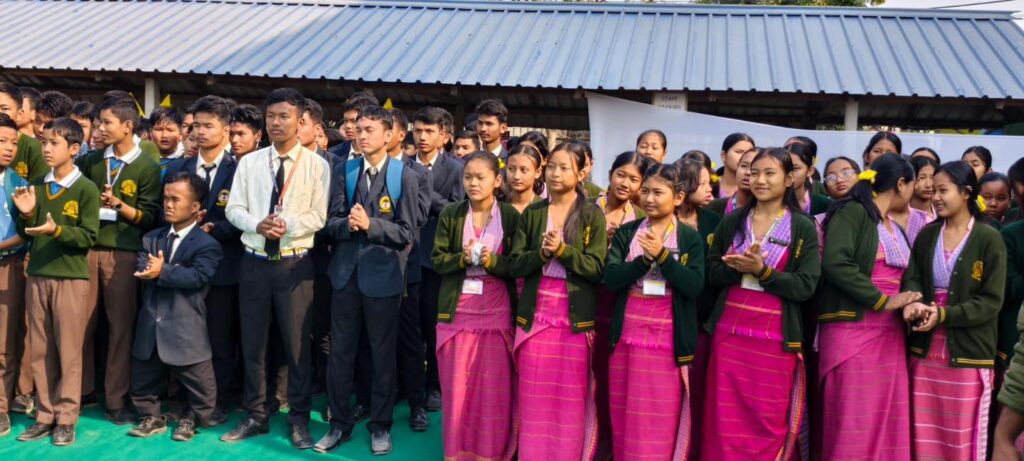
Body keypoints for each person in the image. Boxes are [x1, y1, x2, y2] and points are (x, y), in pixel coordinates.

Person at [222, 88, 330, 449]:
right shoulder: (250, 163)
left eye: (284, 116)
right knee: (253, 343)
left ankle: (298, 417)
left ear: (300, 122)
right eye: (271, 116)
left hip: (295, 264)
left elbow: (319, 216)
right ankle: (255, 414)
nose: (276, 123)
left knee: (297, 345)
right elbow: (233, 209)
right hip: (254, 262)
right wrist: (257, 225)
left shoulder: (317, 165)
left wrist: (288, 225)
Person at [701, 147, 821, 461]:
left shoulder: (803, 227)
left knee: (768, 420)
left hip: (776, 341)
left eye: (769, 173)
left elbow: (806, 285)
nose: (760, 180)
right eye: (754, 173)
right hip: (730, 337)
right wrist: (734, 267)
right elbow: (710, 271)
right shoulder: (733, 221)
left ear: (790, 178)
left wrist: (763, 272)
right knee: (723, 421)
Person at [316, 106, 419, 456]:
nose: (361, 135)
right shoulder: (345, 170)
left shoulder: (404, 176)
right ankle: (339, 424)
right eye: (358, 129)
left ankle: (380, 425)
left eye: (370, 129)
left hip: (384, 279)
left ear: (389, 135)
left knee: (381, 355)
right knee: (340, 354)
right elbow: (328, 224)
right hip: (345, 277)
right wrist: (347, 225)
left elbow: (407, 232)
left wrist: (371, 225)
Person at [817, 153, 920, 460]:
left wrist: (911, 300)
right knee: (854, 420)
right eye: (912, 184)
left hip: (890, 333)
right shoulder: (852, 211)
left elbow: (909, 274)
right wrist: (882, 299)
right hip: (854, 327)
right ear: (902, 185)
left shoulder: (891, 223)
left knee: (887, 419)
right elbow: (836, 262)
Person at [902, 160, 1006, 461]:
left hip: (969, 356)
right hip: (925, 352)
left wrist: (944, 314)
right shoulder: (927, 235)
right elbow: (912, 276)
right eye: (933, 190)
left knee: (963, 437)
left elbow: (991, 301)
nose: (935, 197)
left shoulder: (989, 238)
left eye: (943, 190)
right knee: (922, 432)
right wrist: (914, 302)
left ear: (966, 193)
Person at [509, 141, 607, 461]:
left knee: (569, 397)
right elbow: (515, 264)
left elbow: (596, 269)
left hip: (574, 321)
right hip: (536, 316)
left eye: (565, 168)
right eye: (552, 167)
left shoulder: (592, 214)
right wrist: (541, 254)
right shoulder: (534, 212)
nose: (556, 173)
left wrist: (563, 252)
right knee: (534, 394)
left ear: (581, 173)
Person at [604, 163, 705, 461]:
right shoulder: (627, 232)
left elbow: (695, 286)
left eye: (658, 192)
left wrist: (663, 257)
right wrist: (641, 263)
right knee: (625, 412)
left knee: (659, 414)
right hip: (627, 338)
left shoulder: (689, 238)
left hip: (667, 342)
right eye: (645, 191)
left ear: (677, 197)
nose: (648, 198)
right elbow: (611, 279)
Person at [75, 95, 162, 425]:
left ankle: (115, 399)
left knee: (120, 328)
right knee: (81, 326)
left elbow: (150, 216)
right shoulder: (92, 161)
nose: (99, 129)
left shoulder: (147, 167)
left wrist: (119, 206)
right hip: (87, 250)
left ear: (128, 126)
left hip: (124, 254)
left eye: (106, 122)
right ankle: (82, 391)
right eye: (98, 123)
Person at [12, 118, 99, 446]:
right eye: (44, 141)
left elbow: (89, 236)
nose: (46, 148)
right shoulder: (35, 184)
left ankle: (66, 417)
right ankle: (44, 414)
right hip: (38, 275)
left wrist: (57, 230)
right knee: (41, 348)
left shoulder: (86, 189)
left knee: (68, 350)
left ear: (74, 149)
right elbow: (26, 234)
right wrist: (26, 215)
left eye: (54, 143)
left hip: (70, 278)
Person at [431, 151, 520, 461]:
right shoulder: (451, 214)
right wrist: (463, 258)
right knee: (458, 389)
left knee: (492, 389)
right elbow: (438, 261)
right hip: (458, 310)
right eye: (468, 177)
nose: (473, 183)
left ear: (497, 181)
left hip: (497, 311)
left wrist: (490, 261)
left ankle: (491, 453)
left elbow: (517, 265)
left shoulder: (511, 216)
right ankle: (457, 453)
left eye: (480, 177)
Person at [126, 172, 222, 442]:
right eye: (165, 198)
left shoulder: (207, 244)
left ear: (195, 208)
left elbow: (198, 277)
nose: (168, 204)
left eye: (175, 199)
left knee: (201, 384)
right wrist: (165, 271)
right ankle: (150, 415)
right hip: (151, 322)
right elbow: (143, 266)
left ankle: (193, 419)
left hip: (185, 326)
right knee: (144, 376)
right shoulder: (151, 238)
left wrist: (163, 271)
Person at [163, 96, 242, 424]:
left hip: (224, 267)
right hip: (182, 266)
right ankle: (180, 399)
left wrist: (215, 229)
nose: (201, 132)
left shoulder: (240, 169)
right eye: (196, 126)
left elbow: (243, 217)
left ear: (225, 130)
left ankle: (217, 401)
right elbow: (162, 214)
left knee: (220, 338)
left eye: (209, 126)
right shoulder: (177, 168)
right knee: (183, 334)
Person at [593, 151, 650, 457]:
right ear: (610, 173)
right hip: (588, 298)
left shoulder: (642, 217)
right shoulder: (588, 208)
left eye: (634, 179)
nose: (625, 183)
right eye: (620, 175)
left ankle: (611, 443)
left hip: (621, 303)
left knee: (612, 375)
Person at [412, 106, 465, 418]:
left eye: (429, 131)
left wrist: (425, 192)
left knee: (433, 326)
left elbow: (458, 213)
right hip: (404, 258)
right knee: (407, 327)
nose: (421, 137)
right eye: (418, 130)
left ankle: (435, 385)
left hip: (436, 261)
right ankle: (409, 385)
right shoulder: (401, 166)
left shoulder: (456, 170)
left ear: (444, 136)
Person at [0, 114, 28, 437]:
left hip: (8, 267)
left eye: (14, 143)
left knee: (4, 343)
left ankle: (2, 408)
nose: (9, 148)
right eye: (3, 141)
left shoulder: (20, 185)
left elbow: (26, 233)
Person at [0, 83, 47, 184]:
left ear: (19, 114)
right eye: (2, 141)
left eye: (4, 109)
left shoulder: (35, 149)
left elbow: (38, 192)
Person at [707, 147, 757, 216]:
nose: (748, 172)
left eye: (754, 168)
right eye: (744, 166)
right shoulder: (713, 207)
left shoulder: (770, 212)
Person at [786, 141, 830, 214]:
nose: (789, 174)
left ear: (810, 171)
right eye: (784, 168)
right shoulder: (768, 203)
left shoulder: (824, 205)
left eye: (795, 168)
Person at [504, 144, 544, 213]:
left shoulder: (545, 208)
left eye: (523, 170)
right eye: (511, 169)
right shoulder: (496, 206)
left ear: (538, 172)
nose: (516, 176)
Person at [716, 133, 755, 199]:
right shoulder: (710, 184)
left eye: (748, 153)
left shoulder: (754, 190)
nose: (744, 157)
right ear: (723, 155)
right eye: (739, 152)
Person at [149, 107, 185, 178]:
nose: (164, 135)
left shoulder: (186, 161)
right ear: (150, 133)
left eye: (170, 130)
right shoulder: (142, 159)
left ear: (180, 134)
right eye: (159, 130)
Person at [910, 156, 939, 221]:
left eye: (932, 178)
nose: (928, 185)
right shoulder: (903, 213)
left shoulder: (940, 212)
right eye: (922, 177)